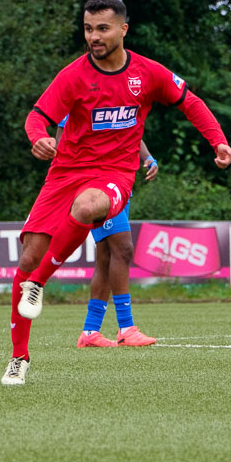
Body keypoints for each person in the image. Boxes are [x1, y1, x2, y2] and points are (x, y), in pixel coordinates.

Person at [2, 0, 231, 386]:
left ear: (123, 29)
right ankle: (18, 358)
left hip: (114, 172)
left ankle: (40, 284)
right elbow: (37, 117)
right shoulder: (73, 76)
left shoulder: (146, 72)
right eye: (88, 29)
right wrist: (37, 138)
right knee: (29, 255)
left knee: (91, 206)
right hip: (64, 172)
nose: (94, 37)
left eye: (103, 29)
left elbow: (189, 102)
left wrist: (218, 141)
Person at [76, 145, 159, 349]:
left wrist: (147, 157)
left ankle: (90, 331)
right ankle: (126, 328)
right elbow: (63, 142)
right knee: (123, 249)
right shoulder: (76, 111)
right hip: (97, 187)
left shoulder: (122, 112)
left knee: (106, 257)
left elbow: (131, 128)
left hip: (121, 184)